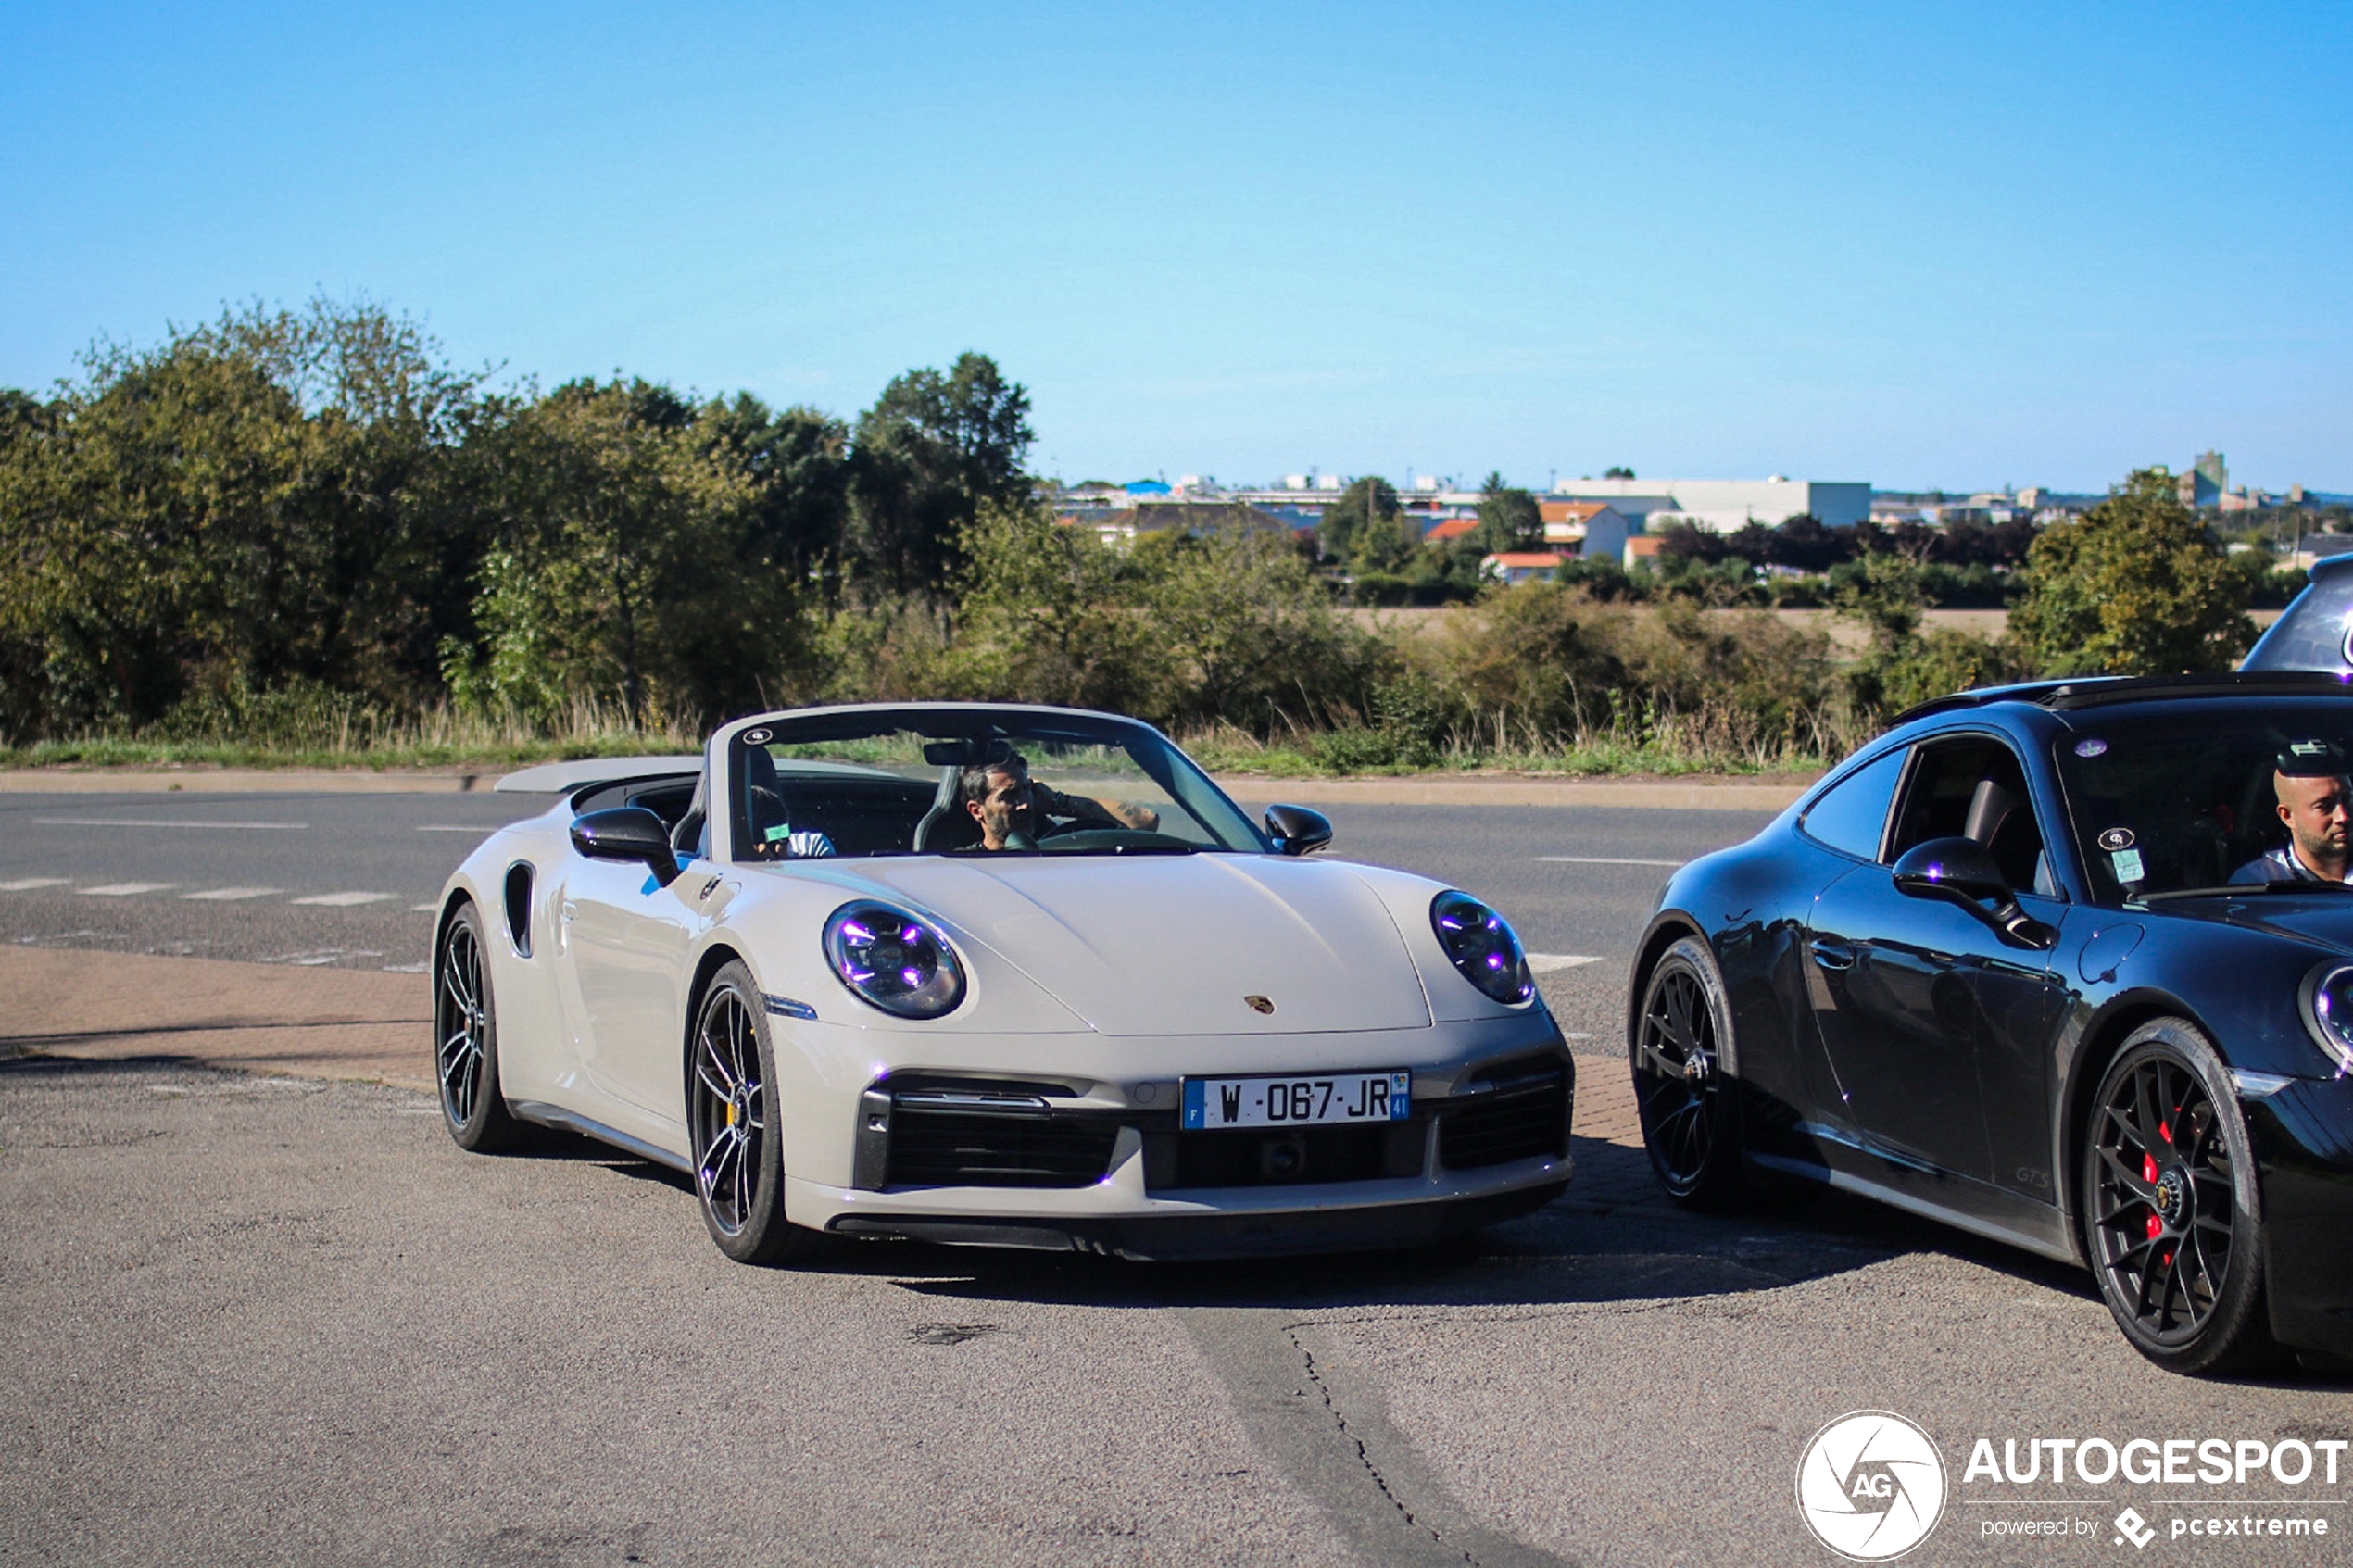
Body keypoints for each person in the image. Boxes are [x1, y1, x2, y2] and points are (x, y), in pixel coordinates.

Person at [959, 750, 1160, 851]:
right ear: (976, 810)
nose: (1024, 804)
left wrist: (1059, 802)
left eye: (1026, 790)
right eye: (1009, 796)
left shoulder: (1060, 842)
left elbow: (1146, 822)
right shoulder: (963, 863)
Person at [2229, 741, 2353, 884]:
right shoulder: (2257, 884)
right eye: (2324, 806)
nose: (2343, 816)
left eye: (2348, 799)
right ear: (2287, 816)